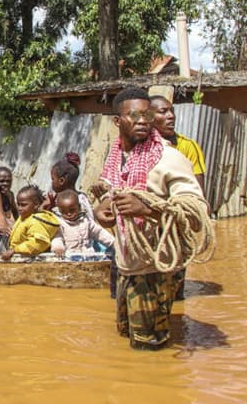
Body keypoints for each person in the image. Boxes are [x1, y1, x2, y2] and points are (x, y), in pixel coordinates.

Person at [91, 87, 209, 351]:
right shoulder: (117, 156)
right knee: (125, 337)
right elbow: (116, 193)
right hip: (127, 265)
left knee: (149, 347)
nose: (143, 121)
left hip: (156, 269)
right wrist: (105, 209)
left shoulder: (169, 158)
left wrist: (146, 209)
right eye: (134, 116)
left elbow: (197, 213)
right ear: (118, 122)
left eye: (146, 115)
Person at [149, 94, 208, 300]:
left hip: (174, 222)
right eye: (163, 111)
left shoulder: (187, 147)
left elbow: (196, 190)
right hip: (149, 225)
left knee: (174, 287)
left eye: (171, 110)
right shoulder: (139, 149)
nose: (171, 116)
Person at [0, 185, 61, 261]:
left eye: (23, 205)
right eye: (18, 204)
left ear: (36, 205)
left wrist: (15, 250)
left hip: (29, 260)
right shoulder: (24, 217)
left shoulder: (35, 222)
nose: (19, 208)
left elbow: (37, 243)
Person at [50, 190, 115, 256]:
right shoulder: (60, 224)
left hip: (87, 255)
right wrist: (58, 247)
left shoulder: (86, 220)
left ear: (79, 207)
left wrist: (113, 243)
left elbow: (98, 233)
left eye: (72, 210)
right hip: (69, 256)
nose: (68, 214)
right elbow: (57, 237)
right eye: (64, 211)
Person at [42, 152, 95, 221]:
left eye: (53, 179)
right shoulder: (82, 197)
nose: (52, 182)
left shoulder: (77, 202)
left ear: (61, 181)